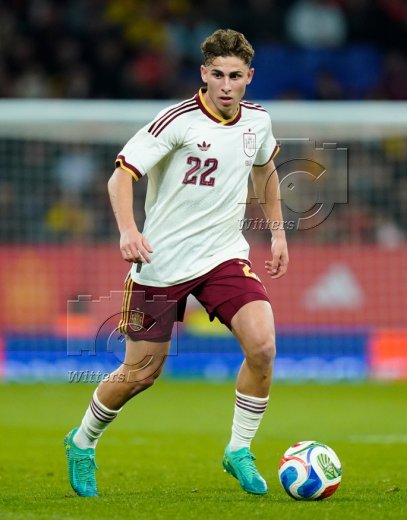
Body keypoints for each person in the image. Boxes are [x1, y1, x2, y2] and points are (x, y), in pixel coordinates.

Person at [64, 28, 289, 497]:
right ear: (203, 74)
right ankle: (82, 441)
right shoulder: (176, 121)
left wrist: (278, 233)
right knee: (141, 374)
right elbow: (120, 177)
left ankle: (238, 450)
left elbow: (265, 170)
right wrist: (129, 231)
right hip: (162, 262)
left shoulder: (258, 121)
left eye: (235, 76)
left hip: (224, 257)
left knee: (263, 346)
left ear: (249, 77)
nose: (226, 85)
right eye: (217, 75)